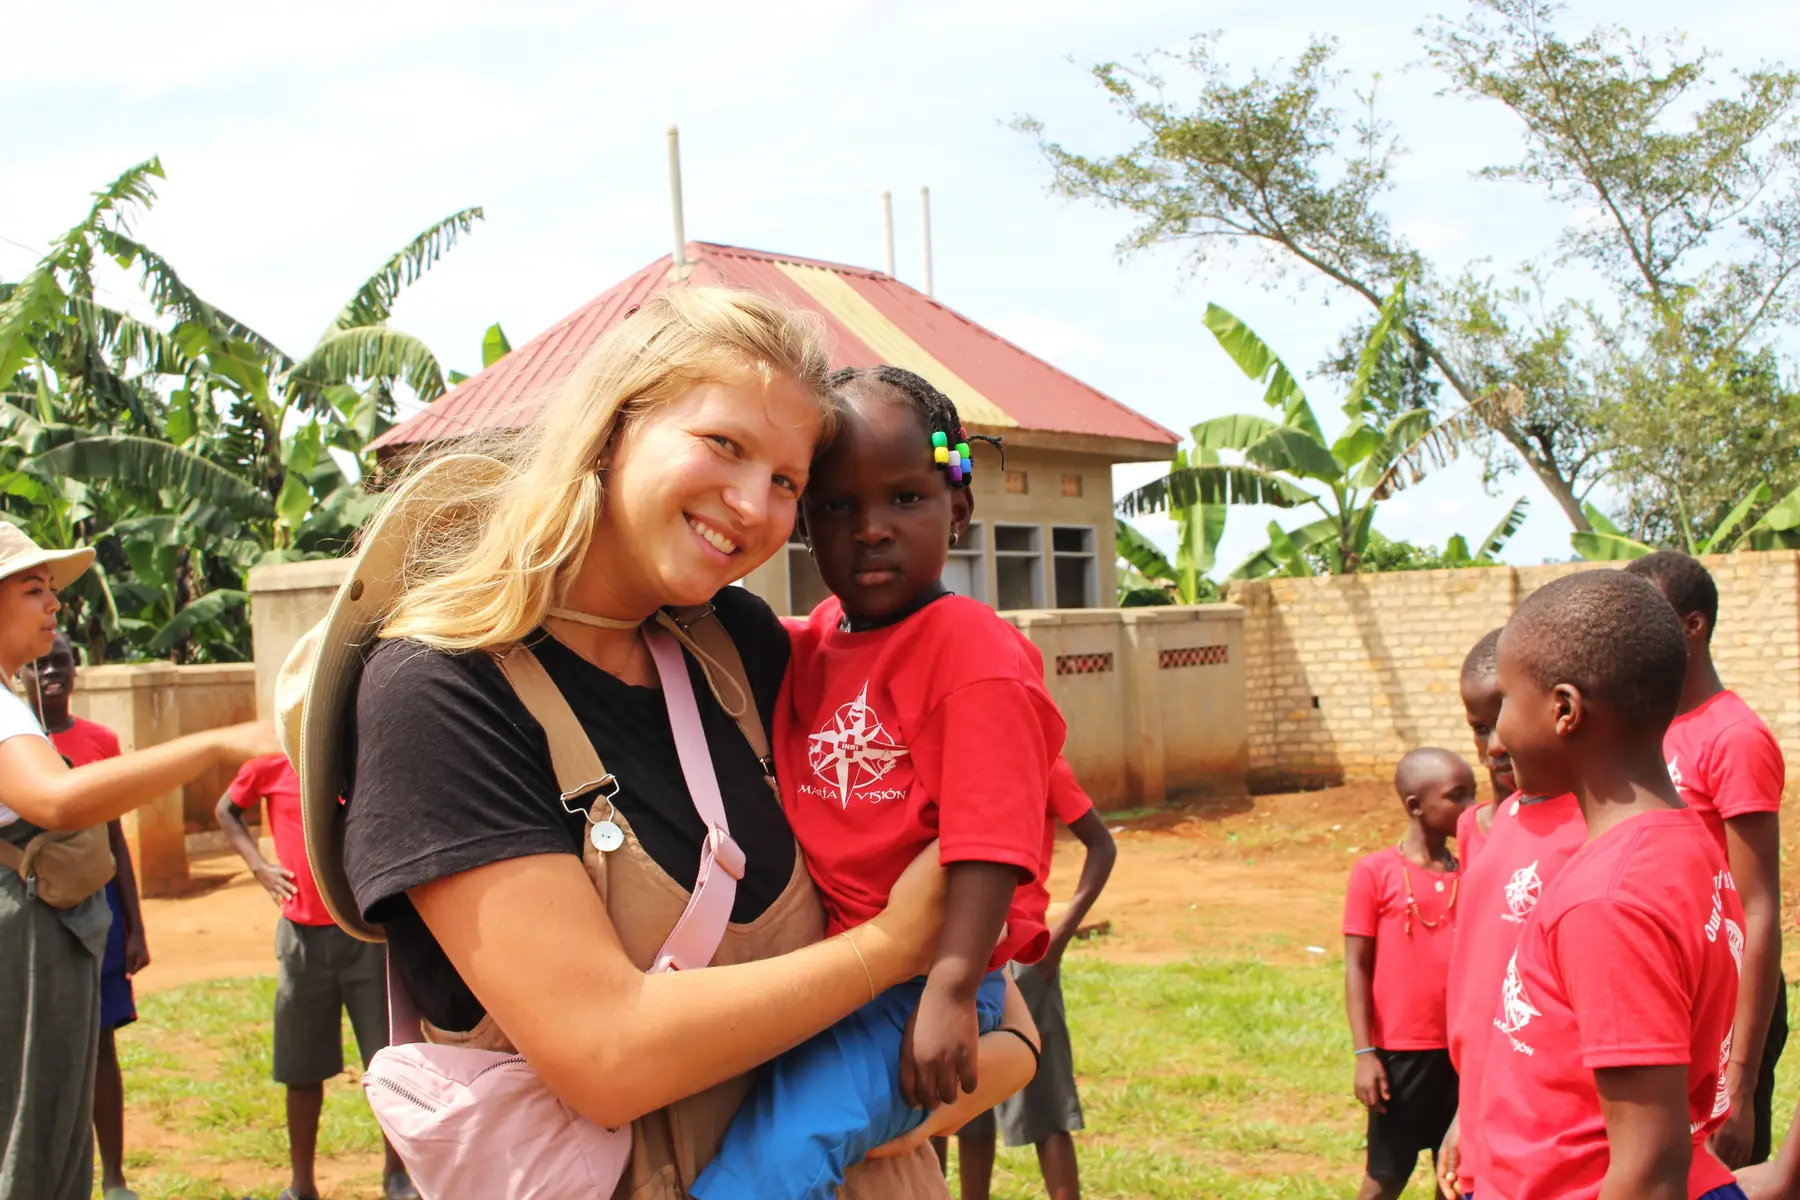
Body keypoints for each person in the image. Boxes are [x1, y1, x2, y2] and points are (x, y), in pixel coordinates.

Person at [332, 290, 1036, 1200]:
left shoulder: (740, 652)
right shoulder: (444, 690)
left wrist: (821, 1141)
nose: (752, 505)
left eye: (787, 481)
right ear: (613, 428)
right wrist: (891, 947)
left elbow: (1008, 1033)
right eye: (724, 445)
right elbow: (607, 1056)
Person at [692, 364, 1068, 1199]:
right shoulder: (822, 638)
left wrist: (952, 990)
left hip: (918, 990)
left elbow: (990, 839)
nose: (871, 530)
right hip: (839, 976)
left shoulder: (972, 656)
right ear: (801, 526)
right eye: (837, 506)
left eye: (905, 498)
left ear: (958, 511)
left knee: (775, 1163)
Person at [0, 524, 277, 1200]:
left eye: (53, 591)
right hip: (25, 933)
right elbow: (58, 800)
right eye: (34, 590)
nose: (55, 605)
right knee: (33, 1137)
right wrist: (214, 747)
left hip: (48, 926)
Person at [1475, 570, 1745, 1200]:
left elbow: (1648, 1172)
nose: (1499, 733)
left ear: (1564, 710)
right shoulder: (1683, 844)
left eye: (1507, 702)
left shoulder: (1608, 899)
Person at [1625, 551, 1786, 1168]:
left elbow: (1758, 908)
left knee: (1723, 1176)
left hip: (1728, 1007)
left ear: (1692, 626)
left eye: (1651, 618)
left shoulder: (1733, 738)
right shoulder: (1645, 728)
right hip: (1667, 993)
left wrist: (1739, 1084)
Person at [215, 753, 416, 1200]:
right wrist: (258, 867)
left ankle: (396, 1174)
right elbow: (226, 809)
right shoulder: (269, 764)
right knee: (300, 1067)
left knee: (389, 1065)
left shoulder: (360, 752)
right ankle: (301, 1183)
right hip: (301, 939)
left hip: (367, 934)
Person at [941, 756, 1118, 1200]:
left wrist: (1057, 938)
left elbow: (1102, 845)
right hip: (963, 954)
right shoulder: (953, 757)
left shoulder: (1044, 764)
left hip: (1024, 955)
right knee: (964, 1111)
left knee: (1047, 1109)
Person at [18, 633, 149, 1200]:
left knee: (101, 1047)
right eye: (40, 663)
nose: (51, 672)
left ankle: (114, 1177)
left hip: (99, 913)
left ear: (77, 670)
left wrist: (136, 926)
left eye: (61, 662)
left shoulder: (99, 741)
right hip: (34, 918)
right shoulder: (18, 742)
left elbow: (116, 837)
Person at [1343, 747, 1472, 1200]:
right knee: (1385, 1177)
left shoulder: (1473, 873)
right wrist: (1365, 1053)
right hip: (1400, 1056)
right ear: (1416, 806)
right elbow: (1356, 967)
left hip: (1462, 1053)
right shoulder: (1374, 873)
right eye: (1457, 797)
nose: (1470, 808)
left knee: (1454, 1175)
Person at [1455, 628, 1516, 873]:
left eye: (1508, 723)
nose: (1495, 746)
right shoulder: (1471, 826)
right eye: (1480, 729)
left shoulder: (1577, 826)